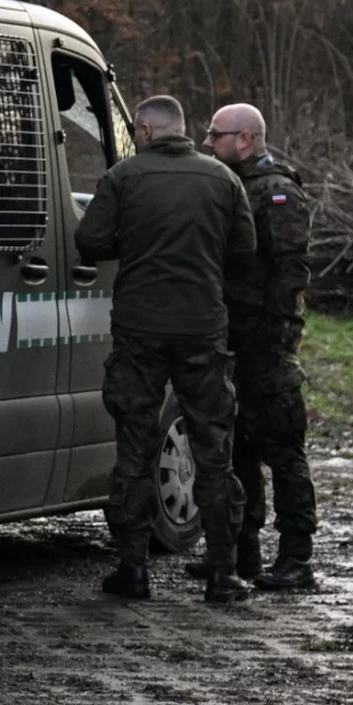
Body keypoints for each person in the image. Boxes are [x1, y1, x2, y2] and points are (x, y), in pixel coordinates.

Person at [74, 94, 258, 603]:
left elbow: (89, 240)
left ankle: (133, 571)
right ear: (182, 129)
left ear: (147, 131)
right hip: (202, 329)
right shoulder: (224, 180)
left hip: (139, 331)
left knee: (134, 450)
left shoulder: (123, 178)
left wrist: (132, 244)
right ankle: (222, 573)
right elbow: (245, 252)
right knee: (213, 451)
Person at [200, 103, 318, 592]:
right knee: (238, 448)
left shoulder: (276, 193)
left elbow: (290, 270)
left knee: (283, 451)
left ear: (245, 139)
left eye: (216, 135)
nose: (207, 143)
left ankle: (295, 558)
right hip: (234, 338)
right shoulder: (234, 185)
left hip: (264, 345)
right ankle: (241, 553)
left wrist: (274, 334)